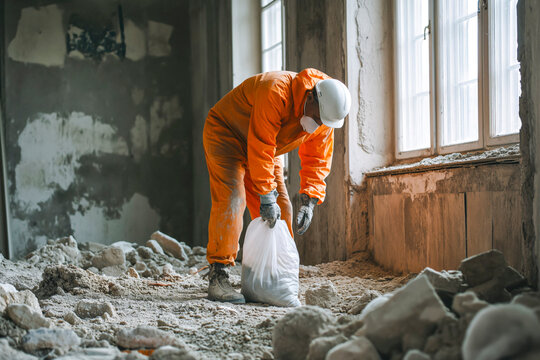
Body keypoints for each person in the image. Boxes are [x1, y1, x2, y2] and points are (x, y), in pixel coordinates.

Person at [203, 68, 351, 303]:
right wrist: (265, 195)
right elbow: (260, 143)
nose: (320, 124)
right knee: (233, 199)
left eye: (325, 122)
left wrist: (309, 200)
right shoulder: (275, 90)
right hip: (227, 135)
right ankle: (218, 274)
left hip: (266, 147)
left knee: (282, 207)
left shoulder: (324, 116)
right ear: (311, 97)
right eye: (319, 118)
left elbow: (318, 159)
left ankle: (276, 275)